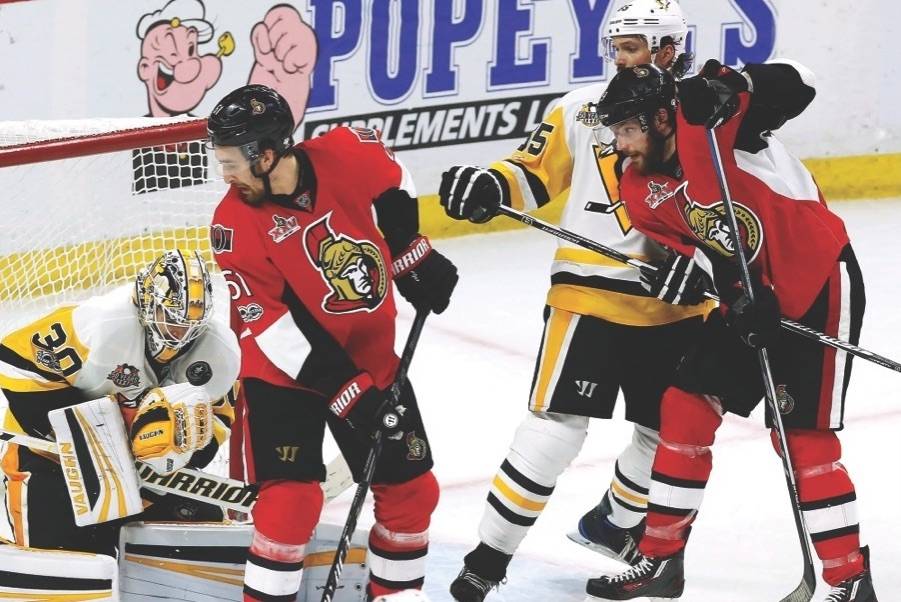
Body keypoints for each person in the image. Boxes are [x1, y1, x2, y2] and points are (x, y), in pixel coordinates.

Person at [437, 2, 715, 600]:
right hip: (586, 297)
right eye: (616, 47)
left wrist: (706, 269)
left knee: (667, 433)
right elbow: (530, 174)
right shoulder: (581, 107)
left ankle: (615, 523)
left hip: (678, 306)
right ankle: (488, 558)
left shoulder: (706, 118)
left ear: (669, 50)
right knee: (552, 433)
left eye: (634, 47)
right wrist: (491, 183)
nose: (620, 58)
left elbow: (733, 213)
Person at [583, 62, 877, 601]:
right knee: (685, 407)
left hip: (817, 283)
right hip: (752, 299)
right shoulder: (637, 188)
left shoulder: (714, 121)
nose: (618, 144)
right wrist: (733, 293)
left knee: (802, 439)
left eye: (626, 129)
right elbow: (710, 249)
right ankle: (660, 558)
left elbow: (801, 82)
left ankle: (849, 579)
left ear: (661, 121)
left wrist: (735, 84)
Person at [207, 84, 459, 601]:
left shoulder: (347, 149)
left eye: (232, 162)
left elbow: (396, 182)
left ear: (268, 154)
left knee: (413, 490)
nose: (225, 175)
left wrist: (410, 251)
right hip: (283, 375)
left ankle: (395, 595)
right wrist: (347, 392)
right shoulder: (232, 223)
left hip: (371, 356)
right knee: (292, 502)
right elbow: (274, 329)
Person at [0, 249, 239, 556]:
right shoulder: (99, 325)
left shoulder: (220, 352)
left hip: (145, 475)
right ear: (146, 302)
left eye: (191, 324)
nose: (180, 333)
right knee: (66, 562)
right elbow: (15, 361)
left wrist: (179, 456)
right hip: (49, 462)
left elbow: (216, 418)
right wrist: (89, 435)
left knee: (202, 536)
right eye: (170, 318)